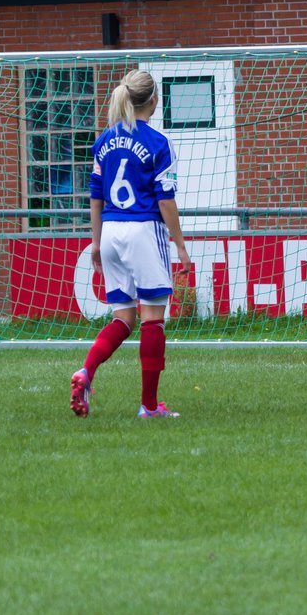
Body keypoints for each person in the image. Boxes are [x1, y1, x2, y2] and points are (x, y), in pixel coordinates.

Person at [70, 70, 192, 419]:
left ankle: (86, 372)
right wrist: (180, 245)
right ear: (154, 101)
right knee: (152, 318)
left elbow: (95, 194)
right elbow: (165, 199)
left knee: (123, 317)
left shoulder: (104, 141)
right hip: (143, 230)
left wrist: (95, 243)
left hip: (110, 230)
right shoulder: (157, 143)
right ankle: (150, 406)